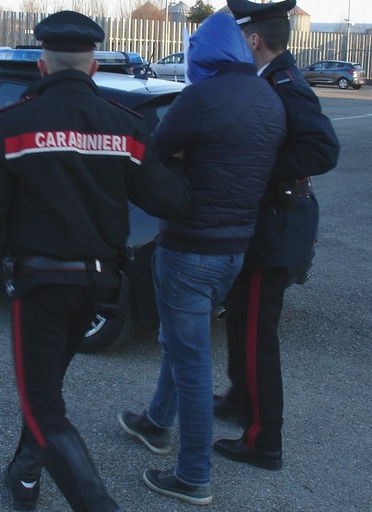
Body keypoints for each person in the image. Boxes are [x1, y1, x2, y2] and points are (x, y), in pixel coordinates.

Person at [0, 10, 191, 511]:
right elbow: (168, 200)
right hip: (97, 292)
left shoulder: (13, 122)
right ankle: (24, 475)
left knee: (42, 406)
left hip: (40, 288)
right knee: (47, 390)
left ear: (42, 66)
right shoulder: (124, 126)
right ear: (91, 68)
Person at [116, 12, 287, 506]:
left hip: (190, 247)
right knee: (180, 340)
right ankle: (155, 422)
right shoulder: (270, 99)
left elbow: (155, 151)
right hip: (235, 249)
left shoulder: (200, 97)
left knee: (191, 360)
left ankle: (193, 475)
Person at [214, 0, 341, 470]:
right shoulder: (268, 79)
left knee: (255, 335)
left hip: (277, 228)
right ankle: (239, 401)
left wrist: (260, 171)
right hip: (263, 225)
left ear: (252, 39)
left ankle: (263, 440)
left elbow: (323, 149)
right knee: (239, 321)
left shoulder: (286, 83)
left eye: (238, 35)